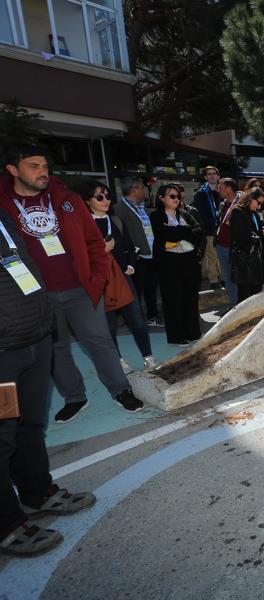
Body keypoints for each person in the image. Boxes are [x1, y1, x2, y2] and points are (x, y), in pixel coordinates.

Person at [1, 148, 143, 424]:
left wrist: (98, 279)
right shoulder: (4, 204)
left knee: (100, 342)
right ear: (13, 170)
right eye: (33, 166)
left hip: (81, 290)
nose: (43, 171)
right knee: (57, 350)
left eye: (44, 165)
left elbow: (93, 241)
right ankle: (75, 398)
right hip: (38, 297)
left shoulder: (67, 200)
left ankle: (121, 390)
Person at [0, 204, 96, 557]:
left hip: (34, 339)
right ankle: (7, 525)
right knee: (1, 437)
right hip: (3, 353)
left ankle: (37, 493)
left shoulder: (5, 216)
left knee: (30, 425)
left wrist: (46, 324)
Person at [81, 182, 155, 372]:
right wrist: (102, 250)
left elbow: (130, 247)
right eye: (99, 197)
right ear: (88, 201)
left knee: (137, 321)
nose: (105, 200)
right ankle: (118, 360)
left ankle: (148, 358)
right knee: (108, 325)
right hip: (99, 282)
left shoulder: (116, 220)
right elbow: (80, 256)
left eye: (107, 196)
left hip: (123, 278)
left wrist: (130, 265)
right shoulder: (83, 226)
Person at [150, 184, 204, 345]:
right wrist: (184, 233)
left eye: (178, 196)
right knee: (173, 301)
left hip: (190, 264)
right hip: (169, 267)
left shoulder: (186, 214)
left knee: (190, 299)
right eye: (172, 196)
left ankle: (193, 334)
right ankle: (177, 337)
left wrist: (177, 234)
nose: (176, 199)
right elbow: (163, 237)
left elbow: (198, 232)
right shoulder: (155, 216)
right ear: (161, 198)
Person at [112, 176, 160, 326]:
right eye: (142, 188)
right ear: (135, 189)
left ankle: (152, 317)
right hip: (135, 258)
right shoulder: (118, 209)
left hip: (151, 255)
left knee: (151, 289)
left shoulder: (143, 208)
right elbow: (118, 234)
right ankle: (136, 320)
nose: (145, 191)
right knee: (135, 291)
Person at [230, 188, 264, 301]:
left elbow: (255, 232)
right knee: (244, 297)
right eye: (258, 202)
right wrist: (262, 233)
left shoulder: (254, 214)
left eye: (261, 204)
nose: (259, 206)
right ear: (250, 198)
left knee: (256, 297)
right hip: (244, 261)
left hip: (256, 261)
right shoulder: (237, 211)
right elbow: (242, 236)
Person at [191, 166, 222, 290]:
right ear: (205, 177)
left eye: (214, 173)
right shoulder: (201, 193)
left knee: (223, 255)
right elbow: (200, 214)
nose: (212, 176)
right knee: (212, 255)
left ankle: (224, 278)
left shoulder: (223, 190)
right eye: (209, 174)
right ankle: (214, 280)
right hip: (210, 230)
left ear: (218, 176)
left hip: (223, 229)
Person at [214, 178, 240, 308]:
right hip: (221, 245)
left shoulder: (241, 203)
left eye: (220, 187)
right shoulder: (222, 204)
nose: (218, 189)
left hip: (235, 247)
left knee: (238, 277)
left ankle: (242, 305)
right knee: (227, 278)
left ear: (229, 189)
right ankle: (234, 305)